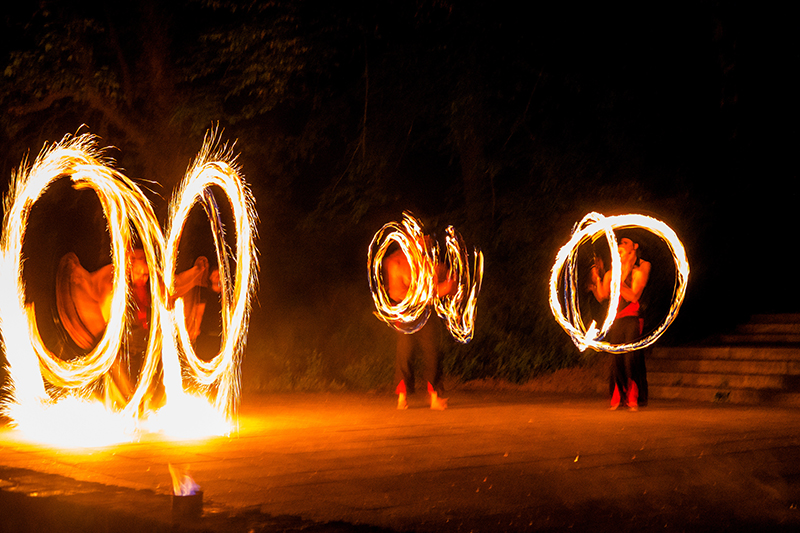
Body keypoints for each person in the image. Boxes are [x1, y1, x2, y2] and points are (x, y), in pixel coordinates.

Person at [384, 238, 454, 410]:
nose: (425, 244)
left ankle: (434, 397)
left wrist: (447, 286)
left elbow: (434, 288)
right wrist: (437, 290)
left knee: (432, 352)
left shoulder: (427, 262)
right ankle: (402, 397)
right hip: (405, 312)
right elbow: (397, 291)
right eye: (421, 241)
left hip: (425, 311)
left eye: (426, 242)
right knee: (405, 353)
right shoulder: (396, 261)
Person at [588, 233, 650, 411]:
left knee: (630, 357)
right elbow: (602, 296)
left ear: (633, 248)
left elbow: (634, 296)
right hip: (616, 320)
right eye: (618, 246)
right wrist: (597, 280)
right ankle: (617, 396)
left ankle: (633, 397)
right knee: (616, 358)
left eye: (624, 244)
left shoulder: (640, 269)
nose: (619, 248)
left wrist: (619, 283)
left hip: (632, 317)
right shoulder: (611, 273)